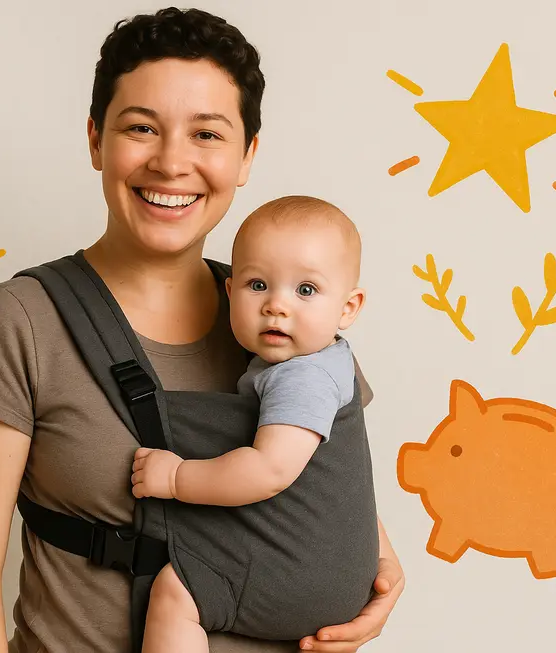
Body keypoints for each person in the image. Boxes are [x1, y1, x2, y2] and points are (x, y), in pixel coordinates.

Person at [0, 7, 405, 653]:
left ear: (247, 156)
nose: (172, 162)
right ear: (97, 139)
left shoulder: (292, 320)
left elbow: (332, 475)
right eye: (141, 128)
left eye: (207, 134)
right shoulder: (22, 320)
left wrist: (381, 571)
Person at [131, 195, 375, 652]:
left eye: (306, 290)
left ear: (348, 307)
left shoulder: (305, 376)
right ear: (230, 293)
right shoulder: (328, 358)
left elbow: (270, 471)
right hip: (339, 572)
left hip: (303, 574)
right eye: (258, 284)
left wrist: (177, 477)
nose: (277, 306)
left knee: (173, 594)